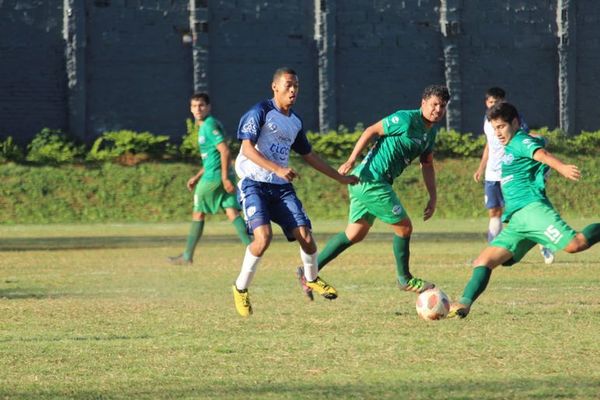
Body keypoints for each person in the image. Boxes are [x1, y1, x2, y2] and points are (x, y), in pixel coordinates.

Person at [297, 85, 450, 301]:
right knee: (404, 227)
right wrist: (351, 160)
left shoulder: (431, 133)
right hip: (371, 180)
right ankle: (404, 279)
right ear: (423, 102)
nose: (437, 110)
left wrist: (433, 197)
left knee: (354, 234)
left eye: (442, 106)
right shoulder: (405, 119)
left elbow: (427, 165)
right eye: (434, 104)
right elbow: (371, 130)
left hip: (369, 183)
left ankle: (308, 272)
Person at [449, 102, 600, 319]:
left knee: (575, 244)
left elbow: (542, 154)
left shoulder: (519, 140)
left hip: (532, 211)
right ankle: (463, 305)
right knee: (483, 261)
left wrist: (562, 168)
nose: (498, 133)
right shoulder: (511, 146)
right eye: (494, 128)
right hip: (518, 221)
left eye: (501, 126)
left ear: (515, 123)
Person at [231, 67, 358, 317]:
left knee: (306, 236)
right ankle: (240, 288)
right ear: (274, 86)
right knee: (263, 238)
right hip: (253, 183)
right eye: (288, 85)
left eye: (296, 86)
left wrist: (339, 178)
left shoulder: (295, 122)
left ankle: (311, 278)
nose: (293, 90)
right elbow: (246, 149)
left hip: (281, 188)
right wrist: (277, 168)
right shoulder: (260, 112)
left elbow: (309, 155)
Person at [473, 87, 555, 264]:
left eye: (497, 101)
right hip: (492, 174)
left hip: (511, 172)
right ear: (486, 103)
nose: (493, 105)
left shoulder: (513, 120)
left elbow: (524, 138)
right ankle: (492, 249)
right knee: (494, 212)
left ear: (504, 101)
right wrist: (481, 167)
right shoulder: (487, 121)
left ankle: (543, 242)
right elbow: (489, 145)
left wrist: (540, 140)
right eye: (490, 102)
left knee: (521, 212)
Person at [168, 93, 251, 266]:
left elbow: (225, 151)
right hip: (218, 174)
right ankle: (253, 249)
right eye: (194, 106)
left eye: (201, 105)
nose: (198, 109)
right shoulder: (208, 124)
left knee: (198, 212)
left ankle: (187, 256)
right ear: (190, 109)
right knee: (231, 212)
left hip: (214, 178)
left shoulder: (209, 125)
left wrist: (223, 178)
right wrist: (197, 176)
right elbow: (212, 156)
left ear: (208, 107)